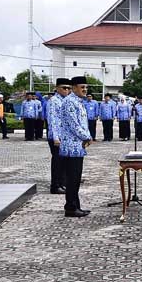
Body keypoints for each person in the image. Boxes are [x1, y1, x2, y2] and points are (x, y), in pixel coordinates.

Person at [59, 77, 92, 218]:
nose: (84, 89)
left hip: (77, 146)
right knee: (72, 179)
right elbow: (74, 125)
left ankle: (75, 205)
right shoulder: (69, 102)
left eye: (86, 87)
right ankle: (71, 208)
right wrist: (87, 137)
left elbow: (83, 123)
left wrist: (87, 136)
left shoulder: (78, 102)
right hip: (71, 146)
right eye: (81, 87)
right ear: (74, 88)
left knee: (76, 178)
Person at [46, 78, 71, 194]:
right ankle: (55, 186)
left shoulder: (65, 100)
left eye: (69, 88)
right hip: (57, 137)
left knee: (64, 162)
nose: (67, 90)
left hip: (65, 136)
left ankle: (62, 183)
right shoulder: (54, 101)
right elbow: (53, 120)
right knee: (57, 161)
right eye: (64, 88)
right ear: (57, 88)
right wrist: (56, 137)